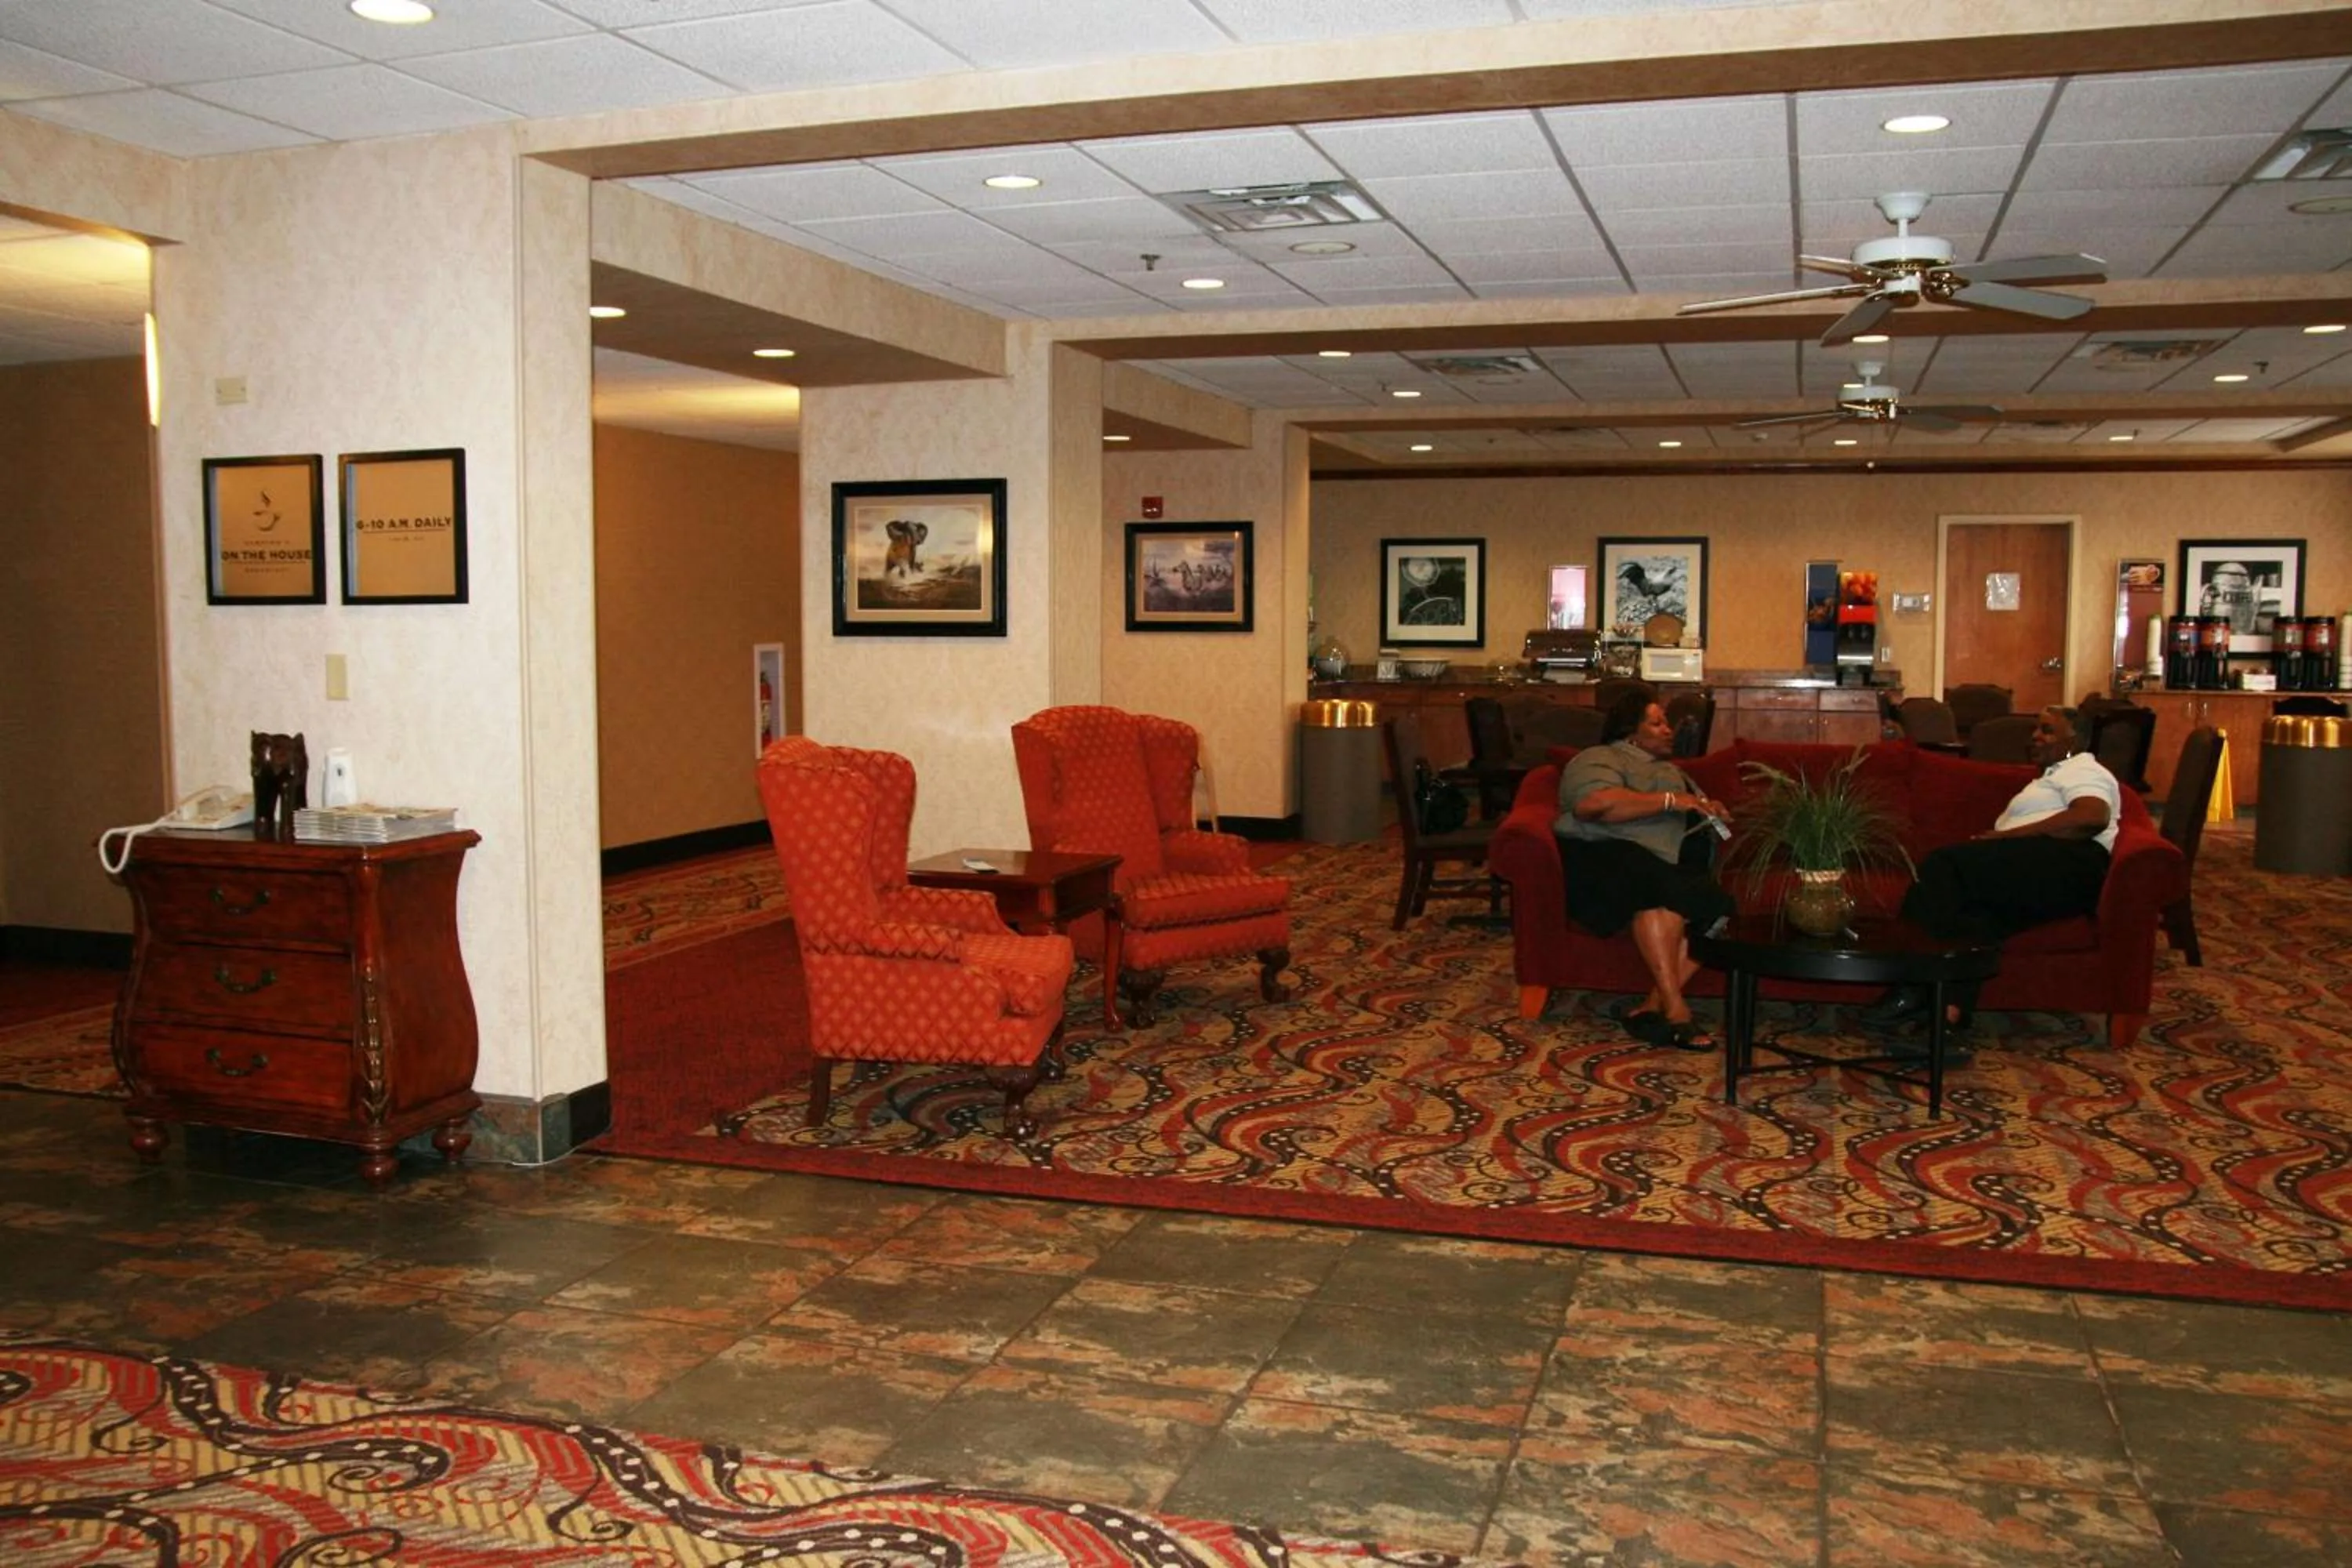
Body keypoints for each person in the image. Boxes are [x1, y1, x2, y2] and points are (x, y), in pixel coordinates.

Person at [1865, 706, 2122, 1047]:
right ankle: (1949, 1018)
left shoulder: (2081, 768)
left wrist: (2007, 837)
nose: (2035, 736)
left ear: (2074, 739)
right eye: (2036, 729)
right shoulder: (2051, 776)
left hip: (2069, 863)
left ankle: (1909, 986)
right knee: (1977, 918)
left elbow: (2091, 817)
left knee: (1943, 865)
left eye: (2046, 730)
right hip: (2039, 868)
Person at [1555, 692, 1735, 1051]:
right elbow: (1594, 805)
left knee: (1719, 910)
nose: (1669, 730)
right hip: (1608, 855)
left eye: (1666, 723)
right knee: (1656, 890)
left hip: (1663, 865)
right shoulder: (1599, 757)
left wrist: (1708, 809)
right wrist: (1670, 801)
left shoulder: (1671, 770)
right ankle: (1678, 1012)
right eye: (1657, 723)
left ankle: (1652, 1008)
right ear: (1629, 732)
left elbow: (1695, 810)